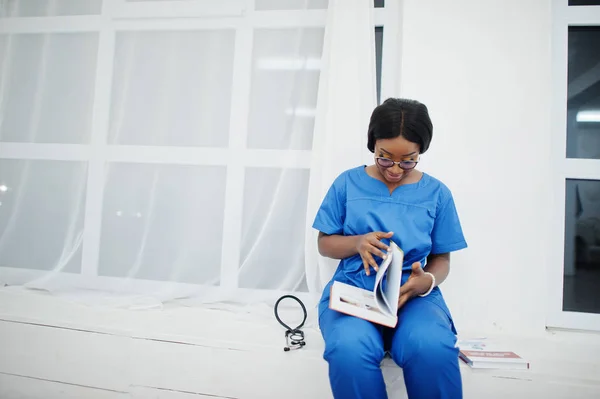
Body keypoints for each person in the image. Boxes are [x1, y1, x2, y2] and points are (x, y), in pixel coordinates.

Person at [312, 98, 467, 399]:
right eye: (385, 158)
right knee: (348, 349)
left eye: (408, 160)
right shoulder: (347, 184)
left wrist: (427, 281)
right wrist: (356, 242)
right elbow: (324, 243)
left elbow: (442, 258)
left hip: (413, 294)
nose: (395, 169)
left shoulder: (437, 193)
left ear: (421, 151)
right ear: (372, 144)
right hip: (354, 290)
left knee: (432, 347)